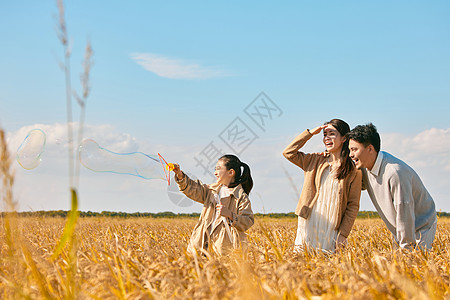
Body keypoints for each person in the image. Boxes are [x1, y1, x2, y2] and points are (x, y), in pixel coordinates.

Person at [348, 123, 437, 250]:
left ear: (370, 149)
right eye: (350, 150)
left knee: (414, 265)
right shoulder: (365, 167)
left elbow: (404, 209)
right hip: (399, 229)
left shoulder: (395, 172)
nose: (351, 155)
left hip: (421, 226)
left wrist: (406, 248)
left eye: (354, 149)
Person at [283, 119, 362, 253]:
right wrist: (310, 133)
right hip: (309, 222)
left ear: (344, 138)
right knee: (303, 263)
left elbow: (353, 205)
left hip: (333, 226)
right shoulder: (314, 160)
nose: (327, 138)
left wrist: (343, 234)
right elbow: (288, 153)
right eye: (324, 134)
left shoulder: (354, 170)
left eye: (332, 133)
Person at [173, 154, 254, 256]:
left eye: (218, 169)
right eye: (215, 169)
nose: (215, 173)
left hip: (223, 250)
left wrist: (230, 214)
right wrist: (180, 175)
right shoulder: (211, 191)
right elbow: (194, 188)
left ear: (231, 172)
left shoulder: (241, 197)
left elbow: (248, 221)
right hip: (200, 246)